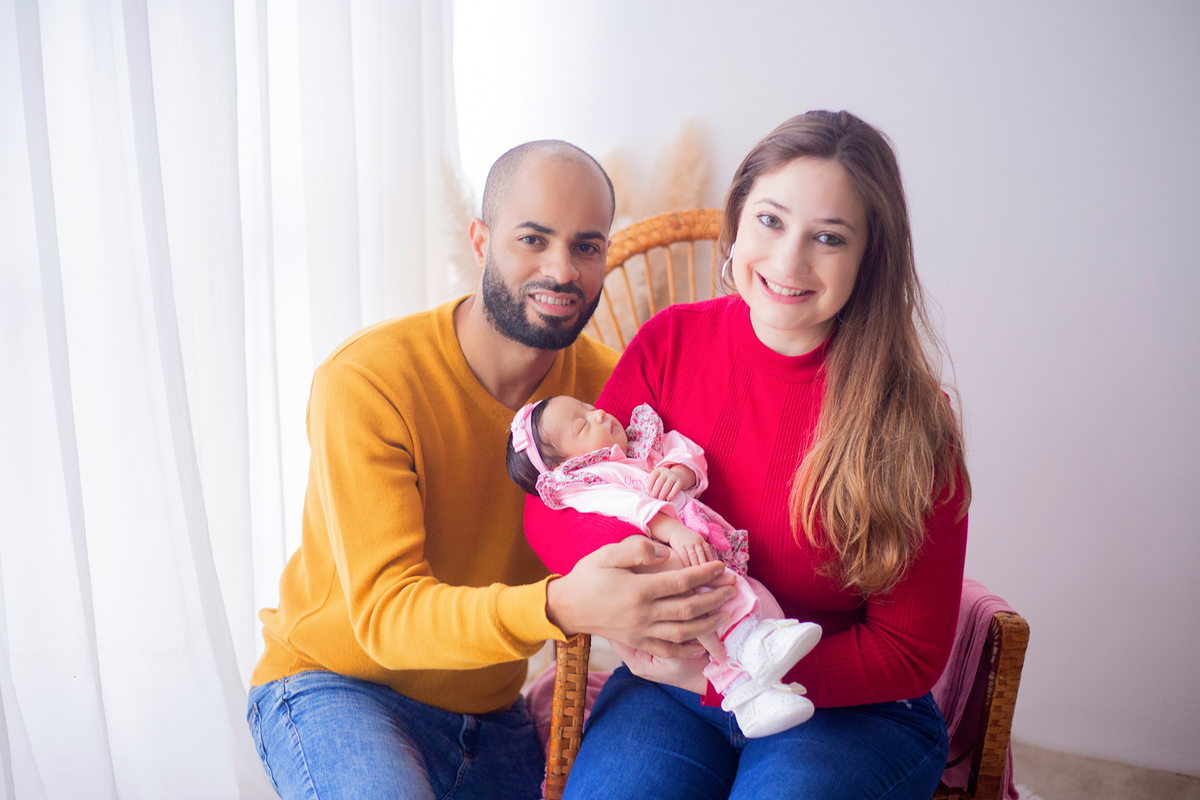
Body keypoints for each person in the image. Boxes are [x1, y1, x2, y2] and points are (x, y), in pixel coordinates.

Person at [246, 140, 739, 800]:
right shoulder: (368, 381)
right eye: (532, 239)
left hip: (490, 713)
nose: (561, 270)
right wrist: (558, 605)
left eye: (587, 247)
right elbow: (385, 614)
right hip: (339, 686)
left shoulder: (611, 393)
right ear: (480, 241)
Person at [524, 111, 972, 800]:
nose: (789, 261)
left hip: (845, 708)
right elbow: (557, 504)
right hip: (668, 694)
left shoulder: (911, 418)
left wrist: (716, 674)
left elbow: (907, 651)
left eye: (828, 237)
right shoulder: (670, 343)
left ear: (869, 256)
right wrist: (650, 600)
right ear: (736, 222)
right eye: (770, 221)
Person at [506, 396, 824, 737]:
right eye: (583, 424)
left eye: (588, 407)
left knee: (742, 591)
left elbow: (682, 448)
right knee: (721, 592)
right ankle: (756, 648)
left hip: (695, 537)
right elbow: (630, 505)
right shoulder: (588, 482)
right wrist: (673, 530)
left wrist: (680, 472)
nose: (598, 413)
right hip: (669, 551)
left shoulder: (639, 443)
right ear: (565, 467)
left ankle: (757, 697)